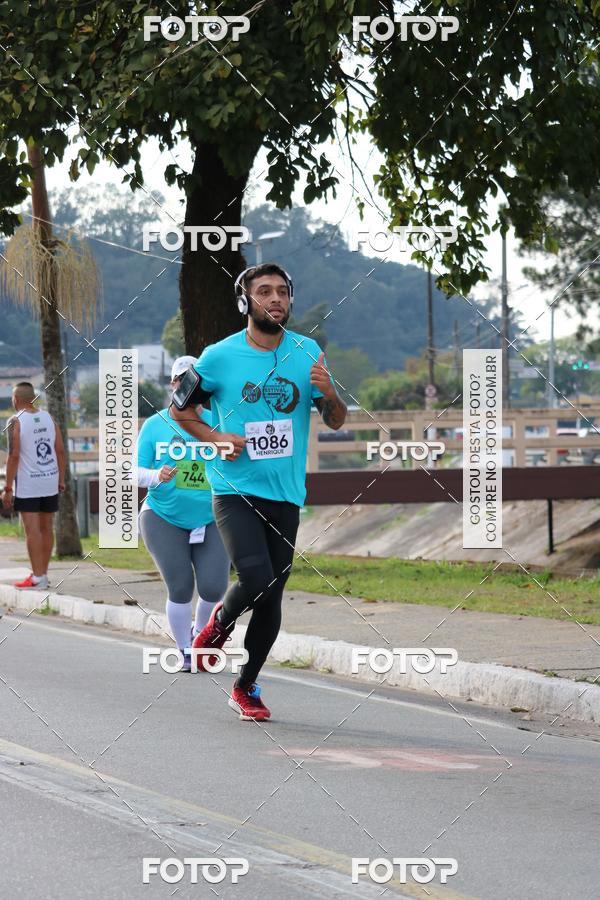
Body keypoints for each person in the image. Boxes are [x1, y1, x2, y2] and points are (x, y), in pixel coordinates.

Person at [170, 263, 347, 719]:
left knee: (272, 595)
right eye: (265, 292)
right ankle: (217, 625)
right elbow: (180, 411)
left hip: (286, 493)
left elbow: (336, 420)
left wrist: (330, 396)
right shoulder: (217, 356)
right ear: (245, 301)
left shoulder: (309, 352)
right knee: (256, 578)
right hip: (234, 489)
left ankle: (246, 686)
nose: (276, 299)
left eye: (283, 293)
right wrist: (216, 438)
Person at [136, 356, 231, 672]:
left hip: (211, 517)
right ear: (173, 384)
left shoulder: (217, 423)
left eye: (195, 383)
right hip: (163, 516)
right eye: (181, 381)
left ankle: (200, 638)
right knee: (180, 586)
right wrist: (155, 476)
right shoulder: (154, 425)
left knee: (214, 587)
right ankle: (185, 650)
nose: (187, 388)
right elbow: (132, 471)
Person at [1, 382, 65, 590]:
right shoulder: (49, 418)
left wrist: (8, 488)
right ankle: (42, 575)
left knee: (33, 530)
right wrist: (61, 479)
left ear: (16, 399)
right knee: (47, 527)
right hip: (50, 481)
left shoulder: (15, 421)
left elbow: (13, 456)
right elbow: (60, 451)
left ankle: (37, 577)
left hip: (29, 485)